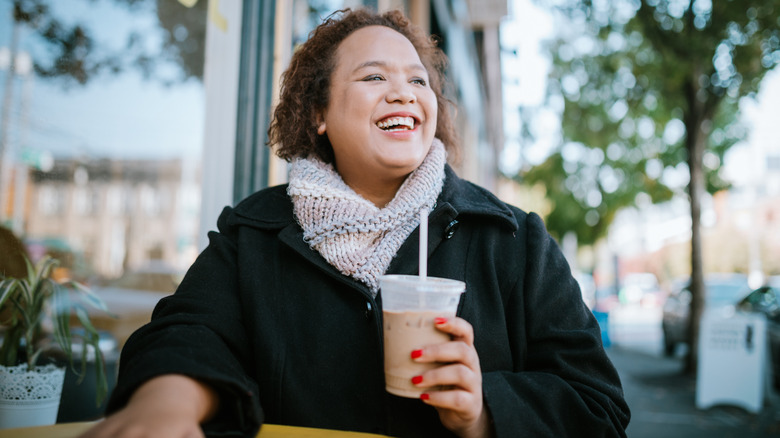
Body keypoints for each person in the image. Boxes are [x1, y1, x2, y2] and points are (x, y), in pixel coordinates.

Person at [81, 8, 629, 438]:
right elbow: (189, 332)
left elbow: (599, 408)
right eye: (373, 77)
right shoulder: (255, 234)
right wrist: (167, 399)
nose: (404, 93)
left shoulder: (513, 239)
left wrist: (485, 410)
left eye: (418, 82)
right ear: (317, 115)